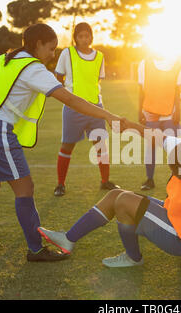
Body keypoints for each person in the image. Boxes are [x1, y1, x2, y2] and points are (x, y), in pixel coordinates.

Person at [0, 23, 130, 262]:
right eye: (51, 48)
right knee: (25, 189)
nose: (53, 54)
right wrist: (108, 115)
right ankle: (36, 250)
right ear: (37, 44)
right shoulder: (32, 68)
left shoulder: (3, 59)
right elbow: (69, 99)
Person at [38, 131, 181, 270]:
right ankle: (69, 238)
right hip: (172, 216)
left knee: (123, 201)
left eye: (178, 171)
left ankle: (133, 257)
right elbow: (157, 136)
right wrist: (129, 125)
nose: (174, 173)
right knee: (114, 196)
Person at [53, 22, 119, 197]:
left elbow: (97, 80)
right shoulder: (67, 53)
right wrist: (68, 96)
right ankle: (60, 184)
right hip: (73, 107)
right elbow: (58, 76)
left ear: (91, 37)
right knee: (67, 145)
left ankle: (105, 181)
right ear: (76, 38)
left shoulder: (99, 56)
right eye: (80, 36)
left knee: (100, 146)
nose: (84, 39)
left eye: (87, 35)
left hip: (95, 107)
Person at [137, 54, 181, 190]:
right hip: (150, 113)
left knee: (174, 147)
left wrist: (178, 111)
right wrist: (139, 110)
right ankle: (149, 179)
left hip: (170, 113)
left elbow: (177, 90)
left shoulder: (175, 63)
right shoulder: (144, 63)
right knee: (151, 146)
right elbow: (141, 90)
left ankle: (175, 180)